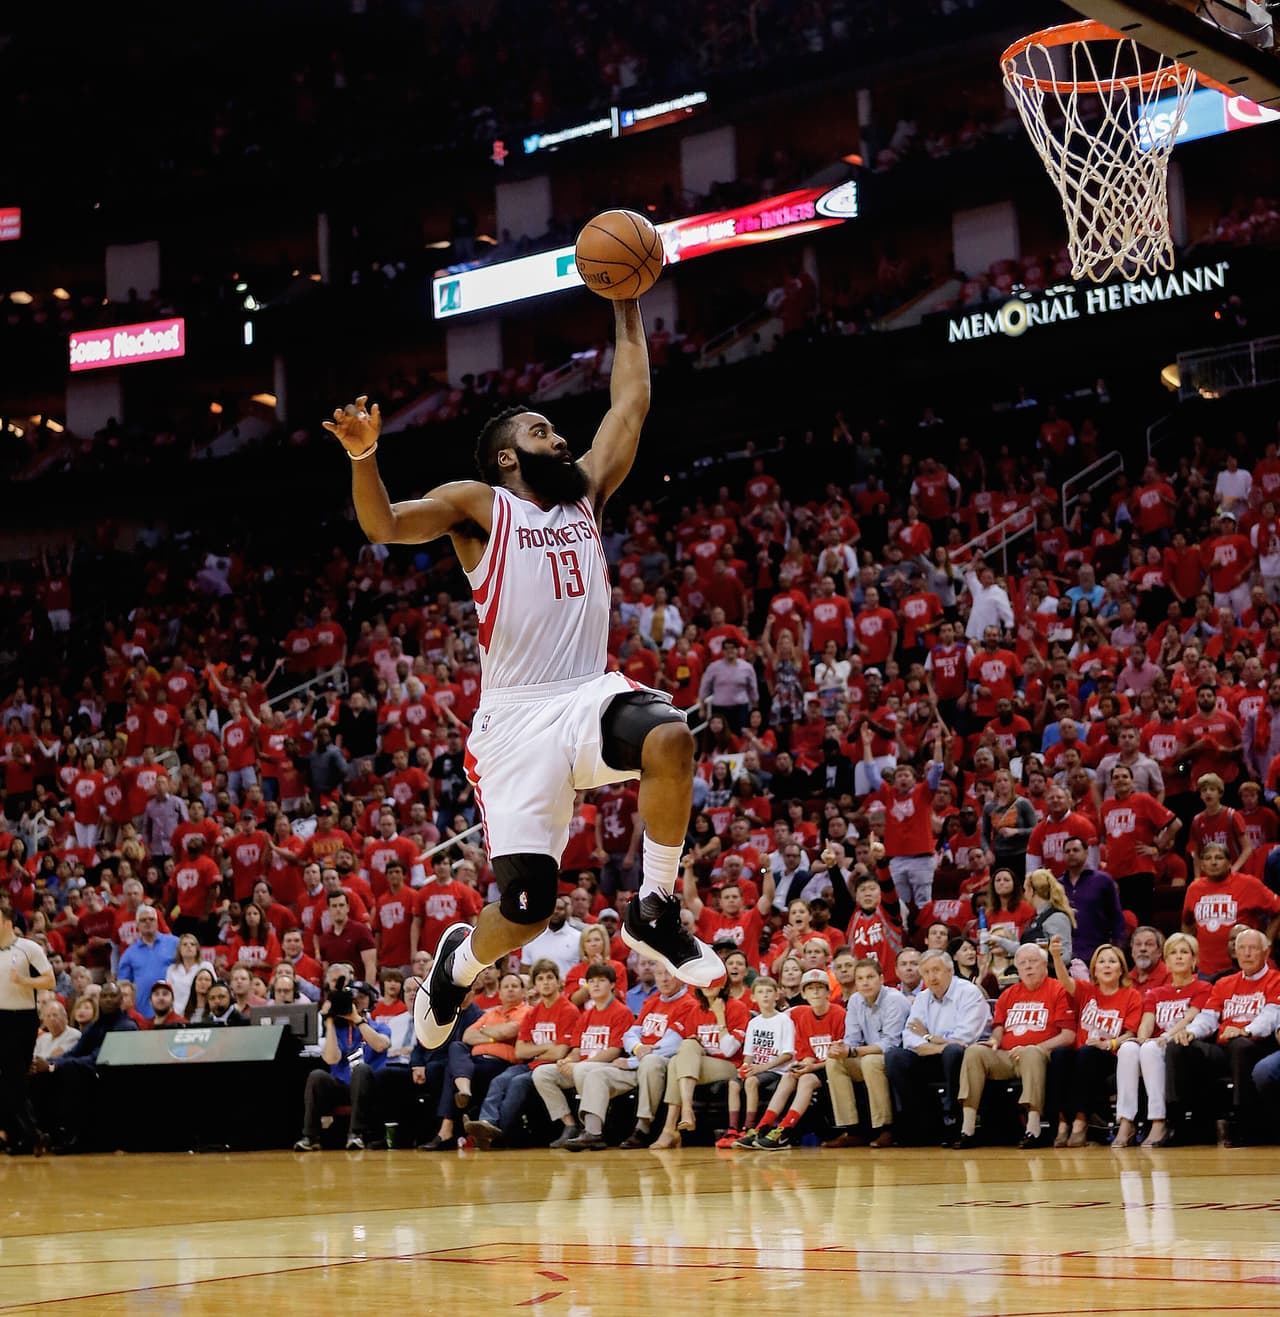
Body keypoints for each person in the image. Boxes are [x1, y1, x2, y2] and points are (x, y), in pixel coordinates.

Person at [325, 318, 722, 1058]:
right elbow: (383, 524)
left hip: (587, 693)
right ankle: (459, 964)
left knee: (671, 735)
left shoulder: (586, 496)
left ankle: (656, 906)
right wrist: (365, 456)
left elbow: (630, 404)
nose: (562, 439)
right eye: (544, 431)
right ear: (509, 454)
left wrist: (626, 305)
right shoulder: (482, 505)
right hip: (514, 724)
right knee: (528, 910)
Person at [1165, 927, 1280, 1146]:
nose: (1246, 954)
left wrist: (1246, 1030)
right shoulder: (1224, 983)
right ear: (1235, 952)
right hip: (1224, 1047)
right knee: (1178, 1046)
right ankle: (1178, 1122)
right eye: (1242, 948)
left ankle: (1242, 1123)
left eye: (1253, 949)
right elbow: (1208, 1016)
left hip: (1257, 1046)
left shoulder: (1275, 980)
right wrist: (1190, 1031)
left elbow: (1271, 1017)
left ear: (1266, 953)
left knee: (1240, 1045)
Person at [957, 944, 1076, 1149]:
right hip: (1006, 1055)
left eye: (1033, 962)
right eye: (1023, 963)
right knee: (975, 1051)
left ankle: (1033, 1129)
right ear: (1017, 969)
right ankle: (967, 1129)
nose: (1028, 967)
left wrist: (1035, 1047)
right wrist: (994, 1041)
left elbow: (1068, 1036)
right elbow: (998, 1028)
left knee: (1030, 1051)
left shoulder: (1058, 990)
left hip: (1040, 1055)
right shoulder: (1009, 994)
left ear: (1044, 966)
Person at [465, 959, 579, 1150]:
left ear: (558, 981)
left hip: (555, 1066)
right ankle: (486, 1123)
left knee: (518, 1082)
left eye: (550, 977)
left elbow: (559, 1051)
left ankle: (499, 1134)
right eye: (540, 979)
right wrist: (545, 1047)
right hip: (530, 1064)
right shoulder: (534, 1013)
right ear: (535, 985)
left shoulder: (568, 1010)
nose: (546, 982)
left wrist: (536, 1049)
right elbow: (520, 1050)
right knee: (500, 1080)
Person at [1114, 932, 1210, 1148]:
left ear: (1194, 960)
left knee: (1149, 1050)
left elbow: (1190, 1017)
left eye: (1184, 952)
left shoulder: (1202, 988)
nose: (1178, 957)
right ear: (1166, 961)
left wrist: (1163, 1037)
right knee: (1128, 1049)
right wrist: (1141, 1038)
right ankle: (1126, 1122)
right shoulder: (1156, 993)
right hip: (1155, 1043)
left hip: (1179, 1046)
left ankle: (1158, 1120)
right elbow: (1147, 1022)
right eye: (1173, 953)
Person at [887, 949, 991, 1146]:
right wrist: (936, 1046)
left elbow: (964, 1038)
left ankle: (954, 1121)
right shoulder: (923, 997)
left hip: (968, 1060)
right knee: (895, 1057)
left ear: (950, 971)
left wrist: (928, 1036)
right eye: (925, 972)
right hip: (933, 1055)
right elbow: (909, 1036)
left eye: (936, 970)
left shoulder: (969, 993)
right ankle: (922, 1122)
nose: (931, 977)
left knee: (953, 1053)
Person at [1047, 939, 1143, 1147]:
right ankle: (1063, 1123)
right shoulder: (1086, 991)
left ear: (1121, 969)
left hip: (1110, 1055)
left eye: (1112, 961)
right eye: (1101, 962)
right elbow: (1065, 981)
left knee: (1087, 1053)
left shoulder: (1131, 996)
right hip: (1082, 1053)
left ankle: (1081, 1122)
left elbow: (1131, 1034)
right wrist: (1056, 956)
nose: (1107, 965)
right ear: (1094, 970)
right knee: (1060, 1054)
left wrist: (1108, 1044)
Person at [738, 969, 846, 1150]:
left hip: (836, 1066)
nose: (816, 992)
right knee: (789, 1075)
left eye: (820, 988)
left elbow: (841, 1055)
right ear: (803, 994)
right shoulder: (804, 1017)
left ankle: (785, 1130)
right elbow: (808, 1054)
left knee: (805, 1079)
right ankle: (763, 1127)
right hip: (816, 1066)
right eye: (811, 989)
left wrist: (810, 1068)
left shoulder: (839, 1014)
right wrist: (804, 1064)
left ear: (829, 992)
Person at [532, 962, 633, 1149]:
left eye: (601, 981)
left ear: (612, 985)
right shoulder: (586, 1015)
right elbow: (577, 1048)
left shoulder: (622, 1012)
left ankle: (590, 1129)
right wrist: (567, 1061)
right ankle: (570, 1125)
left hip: (609, 1067)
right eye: (591, 981)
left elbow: (614, 1050)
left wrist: (580, 1064)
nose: (595, 985)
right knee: (542, 1073)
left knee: (583, 1069)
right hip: (583, 1068)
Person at [293, 974, 392, 1151]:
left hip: (368, 1088)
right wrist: (329, 1022)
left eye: (361, 998)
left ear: (370, 1002)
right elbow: (331, 1059)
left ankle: (356, 1134)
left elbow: (380, 1045)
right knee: (317, 1076)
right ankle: (310, 1136)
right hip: (340, 1087)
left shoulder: (379, 1026)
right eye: (352, 998)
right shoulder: (338, 1030)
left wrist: (357, 1020)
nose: (356, 1001)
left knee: (361, 1070)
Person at [649, 977, 750, 1149]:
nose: (708, 986)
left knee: (676, 1062)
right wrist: (698, 1045)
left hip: (730, 1066)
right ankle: (683, 1114)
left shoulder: (737, 1007)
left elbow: (729, 1050)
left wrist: (719, 1016)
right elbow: (691, 1047)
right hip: (702, 1064)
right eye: (704, 982)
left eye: (714, 982)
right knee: (680, 1054)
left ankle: (672, 1127)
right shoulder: (696, 1010)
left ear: (723, 984)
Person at [822, 958, 910, 1148]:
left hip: (898, 1059)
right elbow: (852, 1038)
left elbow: (891, 1043)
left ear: (881, 978)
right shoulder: (855, 1000)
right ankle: (852, 1129)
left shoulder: (894, 1000)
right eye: (860, 978)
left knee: (870, 1061)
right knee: (834, 1062)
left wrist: (852, 1051)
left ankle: (885, 1128)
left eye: (870, 977)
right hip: (867, 1055)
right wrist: (840, 1048)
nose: (865, 982)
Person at [0, 903, 56, 1155]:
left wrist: (23, 981)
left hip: (20, 1019)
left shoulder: (28, 948)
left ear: (7, 922)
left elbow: (50, 980)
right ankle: (23, 1136)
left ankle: (28, 1134)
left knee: (15, 1078)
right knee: (9, 1081)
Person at [716, 976, 795, 1148]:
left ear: (776, 995)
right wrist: (744, 1068)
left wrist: (761, 1068)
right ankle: (732, 1129)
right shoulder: (753, 1023)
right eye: (760, 992)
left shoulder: (784, 1021)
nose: (765, 996)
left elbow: (788, 1054)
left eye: (769, 991)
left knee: (751, 1081)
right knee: (734, 1084)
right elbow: (749, 1054)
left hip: (776, 1070)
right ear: (753, 998)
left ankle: (750, 1129)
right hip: (757, 1068)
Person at [1181, 841, 1280, 978]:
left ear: (1229, 862)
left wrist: (1268, 940)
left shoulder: (1249, 884)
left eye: (1219, 857)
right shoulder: (1194, 889)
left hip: (1242, 967)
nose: (1213, 862)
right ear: (1202, 865)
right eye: (1208, 858)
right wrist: (1191, 952)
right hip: (1206, 970)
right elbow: (1187, 923)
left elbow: (1278, 909)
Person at [116, 906, 179, 1019]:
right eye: (143, 920)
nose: (148, 922)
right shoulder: (129, 953)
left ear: (157, 922)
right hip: (143, 1014)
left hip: (174, 1010)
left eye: (151, 919)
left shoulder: (175, 943)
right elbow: (123, 986)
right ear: (137, 925)